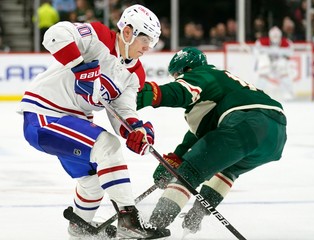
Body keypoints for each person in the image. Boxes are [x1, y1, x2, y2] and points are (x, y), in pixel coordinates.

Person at [18, 4, 170, 240]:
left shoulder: (135, 74)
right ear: (128, 33)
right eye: (145, 39)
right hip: (44, 115)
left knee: (92, 182)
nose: (148, 47)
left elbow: (122, 111)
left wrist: (136, 131)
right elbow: (54, 35)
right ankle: (128, 220)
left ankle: (80, 227)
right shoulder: (97, 36)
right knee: (106, 145)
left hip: (72, 123)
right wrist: (79, 67)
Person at [136, 47, 287, 236]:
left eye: (177, 74)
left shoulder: (203, 74)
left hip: (247, 122)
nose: (177, 78)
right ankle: (196, 216)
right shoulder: (224, 85)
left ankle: (153, 226)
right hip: (276, 135)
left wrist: (147, 94)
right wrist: (177, 157)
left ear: (188, 69)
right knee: (228, 168)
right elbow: (200, 136)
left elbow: (181, 91)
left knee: (189, 173)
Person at [254, 26, 294, 101]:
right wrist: (263, 58)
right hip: (267, 63)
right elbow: (256, 52)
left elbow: (290, 54)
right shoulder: (262, 42)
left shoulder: (286, 43)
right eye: (273, 36)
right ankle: (258, 93)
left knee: (282, 68)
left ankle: (288, 93)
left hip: (278, 63)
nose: (275, 38)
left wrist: (281, 59)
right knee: (263, 70)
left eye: (277, 36)